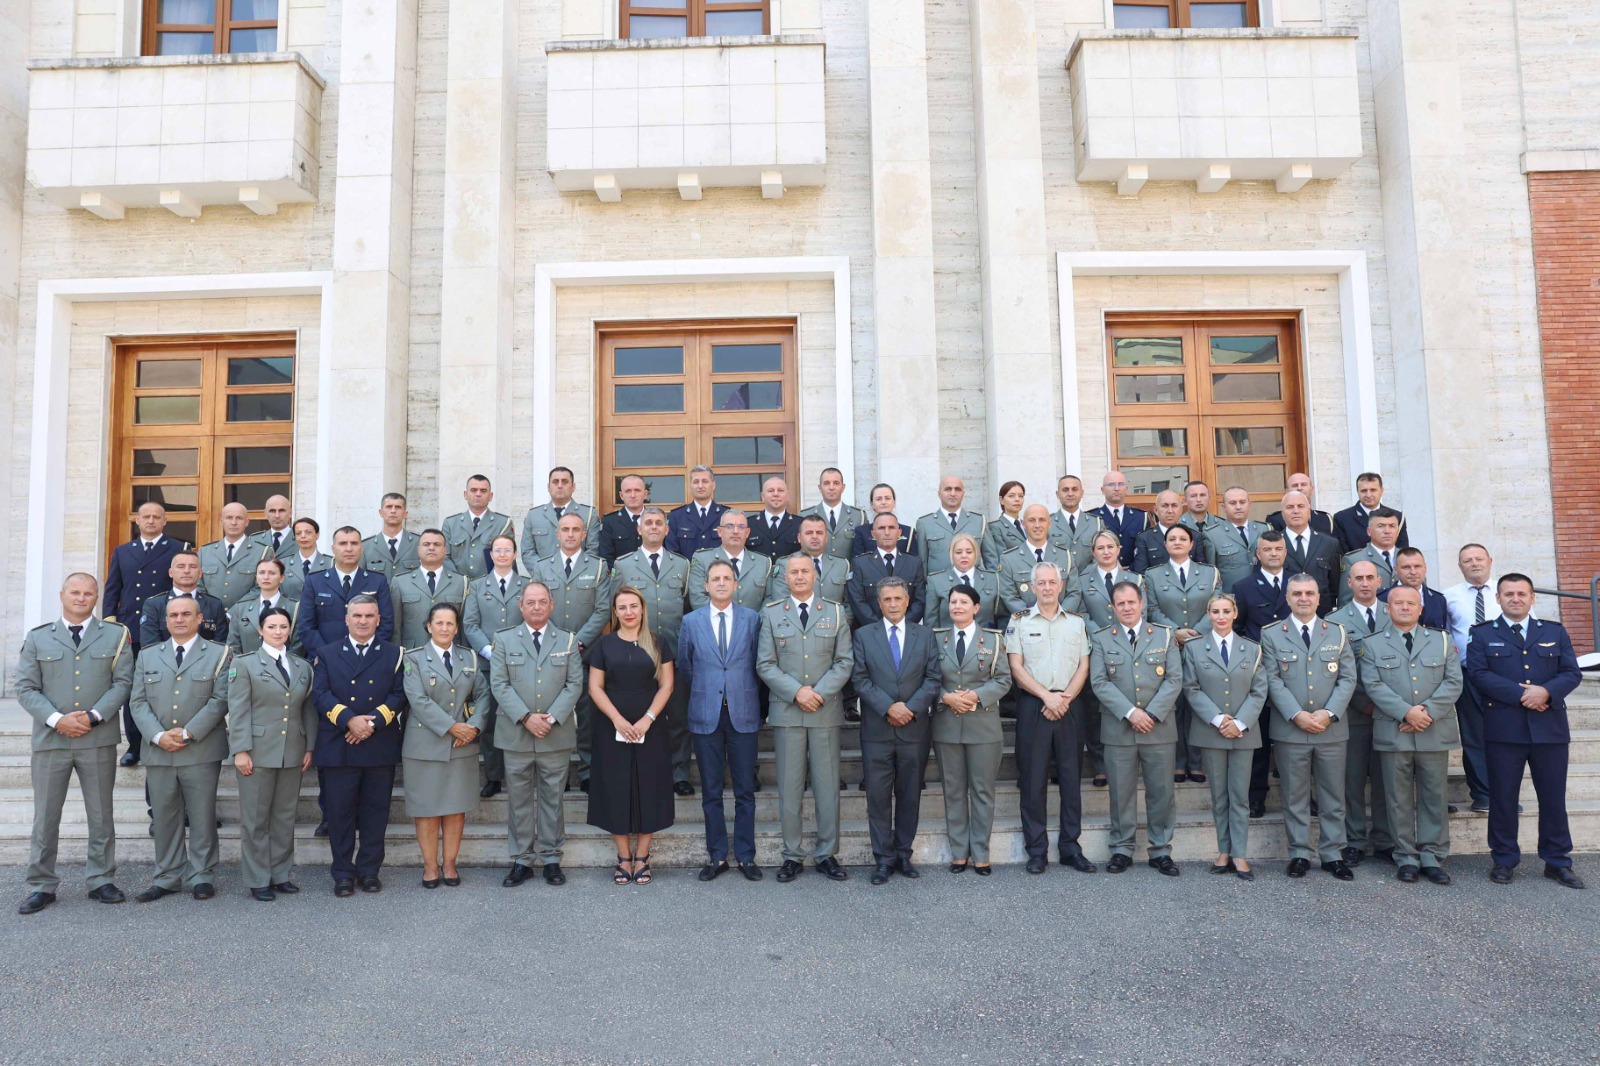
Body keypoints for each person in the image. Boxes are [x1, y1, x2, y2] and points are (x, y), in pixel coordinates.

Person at [15, 574, 133, 914]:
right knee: (46, 816)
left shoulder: (115, 635)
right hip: (51, 739)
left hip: (97, 739)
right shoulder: (39, 638)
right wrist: (57, 720)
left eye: (88, 593)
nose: (81, 598)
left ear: (97, 597)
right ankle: (42, 884)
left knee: (101, 814)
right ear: (62, 594)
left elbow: (123, 683)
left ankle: (101, 879)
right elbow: (25, 688)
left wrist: (94, 716)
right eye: (75, 592)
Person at [1465, 576, 1586, 889]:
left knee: (1553, 799)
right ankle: (1504, 859)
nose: (1515, 599)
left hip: (1550, 730)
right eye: (1508, 594)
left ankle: (1557, 861)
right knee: (1503, 799)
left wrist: (1545, 692)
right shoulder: (1482, 634)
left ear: (1533, 598)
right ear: (1498, 598)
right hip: (1504, 730)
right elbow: (1478, 674)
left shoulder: (1554, 631)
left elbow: (1571, 672)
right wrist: (1523, 694)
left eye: (1521, 594)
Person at [758, 554, 854, 883]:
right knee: (790, 788)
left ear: (815, 575)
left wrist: (818, 693)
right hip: (788, 711)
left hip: (824, 711)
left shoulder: (836, 611)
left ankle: (827, 853)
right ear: (785, 578)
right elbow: (765, 664)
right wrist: (798, 692)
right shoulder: (771, 614)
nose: (799, 577)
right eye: (793, 572)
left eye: (805, 571)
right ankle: (792, 855)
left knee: (828, 787)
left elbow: (844, 662)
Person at [128, 596, 232, 903]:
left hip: (200, 748)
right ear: (165, 620)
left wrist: (187, 733)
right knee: (164, 816)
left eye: (186, 614)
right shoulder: (148, 656)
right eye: (173, 615)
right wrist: (158, 736)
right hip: (159, 749)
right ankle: (167, 875)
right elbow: (137, 701)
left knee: (201, 815)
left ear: (199, 619)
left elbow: (220, 700)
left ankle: (201, 874)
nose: (179, 619)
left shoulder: (220, 654)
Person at [1357, 584, 1462, 884]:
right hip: (1394, 730)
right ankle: (1405, 857)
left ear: (1421, 608)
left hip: (1433, 729)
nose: (1404, 608)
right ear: (1387, 609)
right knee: (1397, 797)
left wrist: (1424, 713)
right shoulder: (1373, 644)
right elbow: (1373, 685)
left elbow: (1453, 682)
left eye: (1410, 603)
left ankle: (1432, 856)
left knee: (1434, 795)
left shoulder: (1441, 640)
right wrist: (1406, 713)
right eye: (1398, 603)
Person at [1260, 575, 1357, 881]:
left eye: (1310, 593)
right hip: (1291, 729)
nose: (1304, 598)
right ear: (1287, 598)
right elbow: (1271, 678)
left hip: (1331, 729)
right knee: (1295, 795)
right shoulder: (1273, 634)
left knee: (1332, 795)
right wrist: (1297, 714)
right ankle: (1299, 852)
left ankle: (1332, 853)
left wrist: (1329, 713)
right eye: (1297, 593)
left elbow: (1348, 678)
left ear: (1319, 598)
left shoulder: (1338, 633)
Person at [490, 583, 585, 888]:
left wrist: (552, 717)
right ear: (521, 606)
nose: (536, 607)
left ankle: (552, 858)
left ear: (551, 604)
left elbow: (574, 685)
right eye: (530, 602)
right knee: (518, 799)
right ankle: (521, 860)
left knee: (552, 798)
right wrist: (526, 717)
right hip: (517, 732)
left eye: (542, 602)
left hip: (554, 734)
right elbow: (499, 684)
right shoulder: (503, 640)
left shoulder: (568, 640)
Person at [310, 595, 407, 896]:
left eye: (369, 616)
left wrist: (372, 723)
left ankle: (369, 870)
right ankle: (342, 872)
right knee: (339, 814)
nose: (363, 621)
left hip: (378, 743)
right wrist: (350, 720)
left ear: (379, 620)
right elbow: (321, 694)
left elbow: (399, 694)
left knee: (375, 812)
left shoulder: (394, 653)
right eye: (357, 615)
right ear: (346, 619)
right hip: (339, 745)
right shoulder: (326, 653)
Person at [1006, 562, 1095, 875]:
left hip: (1069, 704)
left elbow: (1084, 665)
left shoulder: (1076, 623)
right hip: (1034, 705)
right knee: (1033, 780)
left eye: (1051, 582)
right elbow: (1016, 667)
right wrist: (1047, 697)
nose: (1046, 588)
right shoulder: (1018, 622)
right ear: (1032, 587)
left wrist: (1064, 698)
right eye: (1040, 583)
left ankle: (1071, 848)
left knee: (1071, 779)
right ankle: (1037, 850)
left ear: (1060, 586)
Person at [678, 559, 764, 881]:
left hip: (743, 714)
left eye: (727, 578)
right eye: (715, 578)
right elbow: (686, 667)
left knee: (745, 791)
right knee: (711, 792)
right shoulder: (691, 621)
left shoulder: (752, 620)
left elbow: (758, 663)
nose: (721, 583)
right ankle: (716, 856)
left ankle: (745, 856)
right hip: (705, 716)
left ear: (736, 584)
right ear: (705, 585)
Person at [1090, 582, 1183, 876]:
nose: (1127, 608)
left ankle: (1160, 850)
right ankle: (1121, 848)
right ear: (1113, 608)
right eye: (1121, 604)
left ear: (1142, 603)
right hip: (1119, 728)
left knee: (1161, 792)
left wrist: (1151, 713)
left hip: (1159, 727)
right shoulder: (1103, 638)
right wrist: (1131, 713)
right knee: (1120, 792)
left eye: (1131, 602)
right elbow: (1099, 682)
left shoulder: (1164, 636)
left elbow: (1173, 679)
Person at [852, 577, 941, 884]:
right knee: (877, 797)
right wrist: (889, 707)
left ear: (907, 601)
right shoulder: (864, 635)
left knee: (909, 795)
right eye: (886, 599)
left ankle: (903, 853)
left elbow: (932, 679)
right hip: (877, 729)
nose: (892, 604)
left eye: (897, 599)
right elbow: (860, 680)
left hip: (914, 729)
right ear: (879, 603)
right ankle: (883, 859)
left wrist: (910, 708)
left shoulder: (925, 635)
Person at [587, 587, 677, 886]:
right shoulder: (604, 645)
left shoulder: (657, 642)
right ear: (615, 611)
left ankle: (642, 857)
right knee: (616, 790)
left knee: (649, 789)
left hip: (649, 729)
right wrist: (617, 720)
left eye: (633, 606)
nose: (628, 612)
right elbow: (595, 687)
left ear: (642, 609)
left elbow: (666, 686)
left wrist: (647, 719)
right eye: (622, 607)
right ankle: (623, 858)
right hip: (612, 728)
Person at [225, 605, 314, 902]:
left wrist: (310, 746)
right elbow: (238, 710)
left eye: (283, 627)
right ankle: (258, 877)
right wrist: (240, 750)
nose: (278, 632)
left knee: (284, 817)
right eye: (272, 627)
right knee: (256, 819)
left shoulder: (301, 666)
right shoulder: (245, 663)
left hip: (292, 751)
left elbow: (307, 710)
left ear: (290, 631)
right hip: (257, 751)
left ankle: (281, 873)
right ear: (260, 630)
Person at [1182, 593, 1268, 881]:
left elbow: (1259, 690)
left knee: (1239, 796)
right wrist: (1219, 719)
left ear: (1235, 614)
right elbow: (1191, 688)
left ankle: (1240, 854)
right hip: (1212, 731)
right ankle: (1223, 851)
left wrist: (1240, 722)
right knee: (1219, 796)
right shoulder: (1194, 649)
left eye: (1226, 611)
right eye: (1215, 611)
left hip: (1243, 731)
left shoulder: (1252, 649)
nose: (1220, 616)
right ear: (1208, 614)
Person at [400, 603, 485, 889]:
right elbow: (417, 699)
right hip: (425, 744)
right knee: (426, 809)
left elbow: (484, 694)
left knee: (454, 807)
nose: (445, 628)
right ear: (428, 626)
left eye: (450, 623)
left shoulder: (469, 657)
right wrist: (452, 726)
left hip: (462, 744)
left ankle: (449, 864)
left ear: (457, 627)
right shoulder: (412, 658)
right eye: (439, 623)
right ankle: (429, 866)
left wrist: (474, 726)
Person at [612, 507, 696, 797]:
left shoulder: (683, 565)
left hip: (673, 651)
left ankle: (680, 773)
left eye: (659, 523)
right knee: (638, 712)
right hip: (636, 653)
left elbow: (689, 607)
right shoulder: (623, 565)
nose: (653, 527)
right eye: (648, 523)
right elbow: (617, 610)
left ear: (667, 529)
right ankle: (644, 773)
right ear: (639, 529)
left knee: (677, 715)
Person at [931, 584, 1012, 874]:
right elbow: (927, 677)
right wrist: (945, 696)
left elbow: (1003, 679)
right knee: (953, 790)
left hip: (983, 725)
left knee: (982, 790)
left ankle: (980, 852)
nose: (957, 607)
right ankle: (958, 853)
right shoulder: (936, 639)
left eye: (964, 602)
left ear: (976, 608)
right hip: (947, 724)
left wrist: (975, 696)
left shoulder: (992, 640)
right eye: (953, 602)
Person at [530, 512, 613, 792]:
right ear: (557, 534)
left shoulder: (599, 567)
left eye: (576, 530)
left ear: (584, 535)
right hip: (549, 652)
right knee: (554, 712)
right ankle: (559, 773)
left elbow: (602, 610)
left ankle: (588, 771)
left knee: (587, 714)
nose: (570, 534)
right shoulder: (542, 567)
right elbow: (538, 606)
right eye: (565, 529)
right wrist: (557, 642)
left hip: (586, 651)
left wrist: (577, 641)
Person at [103, 500, 187, 766]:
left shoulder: (177, 548)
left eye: (156, 517)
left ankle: (171, 737)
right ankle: (134, 745)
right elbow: (113, 588)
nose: (151, 521)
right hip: (131, 629)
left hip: (165, 628)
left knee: (171, 688)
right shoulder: (123, 551)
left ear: (164, 522)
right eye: (146, 516)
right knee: (134, 689)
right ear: (137, 521)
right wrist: (111, 621)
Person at [1325, 561, 1394, 864]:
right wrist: (1360, 702)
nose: (1365, 583)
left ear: (1380, 581)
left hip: (1391, 712)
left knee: (1385, 779)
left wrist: (1389, 705)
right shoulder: (1335, 621)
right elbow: (1334, 671)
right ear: (1349, 583)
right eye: (1358, 578)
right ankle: (1353, 839)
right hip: (1353, 712)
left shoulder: (1398, 613)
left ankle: (1385, 839)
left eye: (1370, 578)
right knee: (1352, 780)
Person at [1143, 523, 1220, 783]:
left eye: (1182, 539)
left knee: (1198, 702)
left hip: (1203, 645)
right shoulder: (1152, 576)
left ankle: (1196, 761)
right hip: (1168, 645)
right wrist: (1174, 631)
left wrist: (1196, 633)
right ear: (1165, 545)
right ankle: (1177, 762)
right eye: (1172, 539)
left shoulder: (1210, 573)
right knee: (1172, 704)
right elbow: (1151, 609)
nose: (1177, 542)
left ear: (1191, 544)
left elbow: (1216, 606)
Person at [1077, 529, 1146, 787]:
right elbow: (1080, 613)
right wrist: (1103, 636)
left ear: (1119, 549)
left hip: (1131, 649)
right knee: (1096, 708)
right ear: (1093, 553)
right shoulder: (1082, 580)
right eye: (1100, 547)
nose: (1106, 551)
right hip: (1096, 647)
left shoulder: (1135, 578)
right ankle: (1100, 765)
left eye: (1110, 547)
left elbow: (1143, 609)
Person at [463, 534, 528, 799]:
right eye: (497, 550)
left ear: (515, 554)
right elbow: (470, 624)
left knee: (519, 717)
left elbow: (533, 620)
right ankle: (493, 776)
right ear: (491, 555)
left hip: (520, 663)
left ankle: (520, 774)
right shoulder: (478, 586)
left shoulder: (527, 585)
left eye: (507, 550)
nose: (502, 554)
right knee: (489, 721)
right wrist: (488, 651)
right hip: (489, 665)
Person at [1443, 543, 1501, 815]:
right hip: (1467, 675)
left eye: (1479, 558)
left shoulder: (1507, 591)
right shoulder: (1449, 597)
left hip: (1504, 677)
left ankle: (1504, 793)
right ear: (1460, 565)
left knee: (1505, 736)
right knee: (1474, 736)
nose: (1474, 563)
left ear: (1490, 561)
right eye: (1468, 560)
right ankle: (1482, 794)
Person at [296, 526, 394, 659]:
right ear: (333, 549)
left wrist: (364, 653)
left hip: (367, 660)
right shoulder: (314, 581)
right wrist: (328, 655)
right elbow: (306, 626)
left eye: (354, 543)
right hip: (324, 660)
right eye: (343, 543)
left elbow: (386, 624)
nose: (349, 549)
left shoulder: (377, 581)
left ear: (361, 548)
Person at [389, 529, 469, 651]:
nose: (431, 548)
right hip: (412, 654)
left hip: (450, 653)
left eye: (437, 544)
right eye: (426, 544)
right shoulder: (400, 582)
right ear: (418, 549)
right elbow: (395, 627)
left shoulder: (461, 582)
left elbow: (464, 626)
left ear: (445, 550)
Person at [997, 504, 1080, 615]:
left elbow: (1074, 593)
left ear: (1049, 523)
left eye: (1042, 520)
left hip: (1060, 623)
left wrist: (1059, 616)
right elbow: (1009, 597)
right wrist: (1033, 617)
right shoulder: (1009, 559)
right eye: (1032, 520)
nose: (1037, 525)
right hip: (1026, 624)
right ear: (1023, 524)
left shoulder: (1066, 556)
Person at [848, 512, 927, 625]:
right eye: (881, 528)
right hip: (872, 632)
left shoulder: (914, 563)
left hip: (906, 632)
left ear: (899, 533)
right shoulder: (860, 564)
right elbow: (858, 602)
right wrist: (880, 628)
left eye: (891, 527)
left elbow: (920, 601)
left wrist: (903, 625)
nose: (886, 532)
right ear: (873, 534)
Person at [139, 550, 228, 648]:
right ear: (171, 573)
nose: (187, 571)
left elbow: (220, 647)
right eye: (181, 566)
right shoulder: (154, 605)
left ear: (200, 573)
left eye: (193, 567)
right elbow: (150, 647)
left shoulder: (214, 605)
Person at [688, 510, 773, 611]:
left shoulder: (763, 562)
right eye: (729, 526)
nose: (735, 531)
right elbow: (698, 599)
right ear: (720, 531)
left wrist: (754, 622)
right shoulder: (702, 559)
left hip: (754, 625)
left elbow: (770, 600)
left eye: (741, 527)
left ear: (747, 533)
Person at [522, 466, 601, 570]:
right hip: (544, 581)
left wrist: (572, 572)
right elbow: (527, 552)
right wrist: (544, 572)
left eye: (565, 482)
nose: (560, 486)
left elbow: (593, 550)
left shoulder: (589, 514)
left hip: (577, 578)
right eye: (555, 482)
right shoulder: (534, 515)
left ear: (573, 487)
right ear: (548, 487)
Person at [767, 514, 851, 609]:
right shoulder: (784, 564)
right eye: (809, 533)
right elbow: (781, 601)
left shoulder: (842, 564)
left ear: (826, 537)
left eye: (819, 533)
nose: (814, 536)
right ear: (799, 537)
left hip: (835, 623)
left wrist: (838, 622)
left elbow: (848, 605)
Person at [443, 474, 515, 581]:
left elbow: (506, 557)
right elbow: (444, 556)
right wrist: (459, 580)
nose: (478, 494)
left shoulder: (503, 523)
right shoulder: (450, 523)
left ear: (490, 496)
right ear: (465, 494)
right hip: (456, 585)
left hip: (489, 586)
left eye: (483, 491)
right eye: (473, 490)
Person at [1277, 490, 1341, 610]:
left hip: (1321, 613)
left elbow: (1335, 586)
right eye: (1290, 507)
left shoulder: (1329, 543)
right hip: (1285, 613)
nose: (1296, 511)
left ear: (1309, 511)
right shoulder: (1274, 544)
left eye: (1301, 506)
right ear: (1282, 514)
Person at [197, 501, 268, 608]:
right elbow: (198, 585)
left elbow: (262, 587)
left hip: (245, 617)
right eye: (229, 518)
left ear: (247, 522)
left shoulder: (262, 552)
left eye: (239, 518)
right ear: (221, 521)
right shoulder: (205, 552)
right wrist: (213, 611)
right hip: (211, 616)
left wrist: (235, 611)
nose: (234, 522)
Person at [925, 532, 1002, 628]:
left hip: (985, 640)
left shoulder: (992, 579)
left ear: (976, 553)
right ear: (951, 554)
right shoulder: (936, 581)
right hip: (949, 640)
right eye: (958, 552)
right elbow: (931, 621)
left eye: (969, 552)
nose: (964, 556)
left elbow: (1001, 616)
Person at [915, 475, 986, 576]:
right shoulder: (925, 523)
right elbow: (922, 562)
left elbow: (990, 559)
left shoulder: (978, 521)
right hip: (939, 588)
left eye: (957, 489)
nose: (953, 493)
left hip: (972, 587)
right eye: (948, 489)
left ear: (963, 494)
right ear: (939, 494)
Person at [227, 558, 299, 656]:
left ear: (282, 578)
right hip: (247, 668)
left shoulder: (294, 608)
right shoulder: (241, 608)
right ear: (256, 577)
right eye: (261, 573)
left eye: (272, 573)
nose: (266, 577)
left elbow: (297, 647)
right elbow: (233, 645)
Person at [1202, 487, 1267, 592]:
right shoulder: (1212, 535)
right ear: (1224, 507)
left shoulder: (1264, 529)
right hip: (1231, 598)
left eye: (1242, 502)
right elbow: (1211, 574)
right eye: (1232, 503)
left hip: (1263, 595)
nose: (1238, 507)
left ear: (1249, 505)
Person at [1232, 530, 1290, 641]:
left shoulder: (1298, 583)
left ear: (1285, 553)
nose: (1273, 554)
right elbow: (1237, 627)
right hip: (1259, 651)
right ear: (1258, 554)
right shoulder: (1243, 587)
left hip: (1293, 651)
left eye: (1278, 549)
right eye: (1267, 549)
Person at [800, 466, 866, 562]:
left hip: (848, 574)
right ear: (820, 487)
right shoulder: (805, 515)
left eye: (836, 483)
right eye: (826, 483)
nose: (831, 488)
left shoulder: (858, 516)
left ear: (843, 487)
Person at [1332, 472, 1409, 554]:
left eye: (1373, 490)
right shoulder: (1342, 518)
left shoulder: (1397, 516)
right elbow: (1342, 554)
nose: (1368, 495)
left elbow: (1403, 551)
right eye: (1364, 491)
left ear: (1382, 490)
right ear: (1357, 491)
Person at [1337, 507, 1402, 604]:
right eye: (1381, 526)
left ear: (1397, 531)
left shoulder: (1408, 558)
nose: (1387, 531)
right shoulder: (1353, 560)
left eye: (1392, 526)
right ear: (1369, 531)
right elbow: (1345, 601)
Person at [665, 465, 729, 559]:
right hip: (688, 572)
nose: (700, 486)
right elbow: (672, 553)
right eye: (696, 482)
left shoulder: (727, 515)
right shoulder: (676, 517)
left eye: (705, 481)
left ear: (713, 485)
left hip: (719, 572)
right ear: (690, 485)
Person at [1090, 470, 1148, 569]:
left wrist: (1132, 569)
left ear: (1127, 489)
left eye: (1121, 484)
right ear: (1102, 490)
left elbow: (1145, 549)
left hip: (1134, 575)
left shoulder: (1141, 517)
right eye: (1111, 484)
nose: (1116, 488)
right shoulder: (1092, 517)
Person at [1379, 547, 1448, 629]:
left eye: (1417, 566)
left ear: (1425, 568)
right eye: (1406, 567)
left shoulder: (1439, 600)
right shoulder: (1381, 599)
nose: (1413, 572)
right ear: (1396, 570)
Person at [361, 493, 423, 579]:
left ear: (405, 514)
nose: (393, 511)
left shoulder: (419, 543)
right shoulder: (365, 547)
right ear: (381, 513)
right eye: (389, 507)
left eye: (398, 507)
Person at [1049, 474, 1105, 567]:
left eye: (1074, 489)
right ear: (1057, 494)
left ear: (1082, 493)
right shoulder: (1047, 523)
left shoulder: (1096, 523)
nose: (1070, 494)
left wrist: (1086, 576)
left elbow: (1101, 554)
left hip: (1089, 578)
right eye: (1065, 490)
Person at [850, 483, 916, 557]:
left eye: (887, 498)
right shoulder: (862, 532)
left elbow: (914, 563)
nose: (883, 502)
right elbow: (857, 562)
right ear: (872, 504)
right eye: (878, 499)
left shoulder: (909, 532)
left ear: (894, 502)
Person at [746, 475, 802, 559]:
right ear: (762, 496)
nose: (776, 494)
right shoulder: (749, 524)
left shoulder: (800, 524)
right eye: (770, 490)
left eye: (780, 490)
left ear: (788, 496)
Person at [598, 474, 650, 563]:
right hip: (622, 575)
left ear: (645, 494)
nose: (633, 495)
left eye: (637, 490)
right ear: (621, 495)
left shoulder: (656, 519)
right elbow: (606, 557)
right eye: (628, 491)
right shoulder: (610, 521)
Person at [1131, 490, 1185, 572]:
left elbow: (1200, 572)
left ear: (1181, 510)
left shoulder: (1193, 536)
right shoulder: (1144, 538)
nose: (1170, 511)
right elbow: (1141, 572)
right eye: (1165, 506)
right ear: (1156, 510)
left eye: (1174, 506)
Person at [281, 517, 332, 603]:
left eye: (308, 532)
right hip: (291, 613)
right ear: (294, 537)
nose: (303, 536)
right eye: (298, 533)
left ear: (317, 535)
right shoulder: (283, 563)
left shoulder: (330, 563)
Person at [981, 479, 1028, 570]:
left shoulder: (1028, 525)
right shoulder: (995, 527)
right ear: (1001, 500)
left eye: (1021, 496)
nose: (1017, 499)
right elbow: (997, 560)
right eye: (1011, 496)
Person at [1265, 473, 1333, 534]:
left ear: (1311, 489)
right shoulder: (1275, 519)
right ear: (1287, 491)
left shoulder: (1326, 519)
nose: (1299, 488)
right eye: (1295, 485)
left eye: (1303, 484)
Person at [244, 494, 298, 567]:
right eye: (272, 511)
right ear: (265, 514)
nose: (277, 515)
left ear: (290, 513)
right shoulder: (255, 540)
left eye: (281, 511)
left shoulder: (300, 539)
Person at [1177, 480, 1218, 565]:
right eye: (1193, 496)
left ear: (1209, 498)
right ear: (1185, 501)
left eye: (1202, 495)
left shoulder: (1220, 525)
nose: (1199, 500)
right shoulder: (1177, 526)